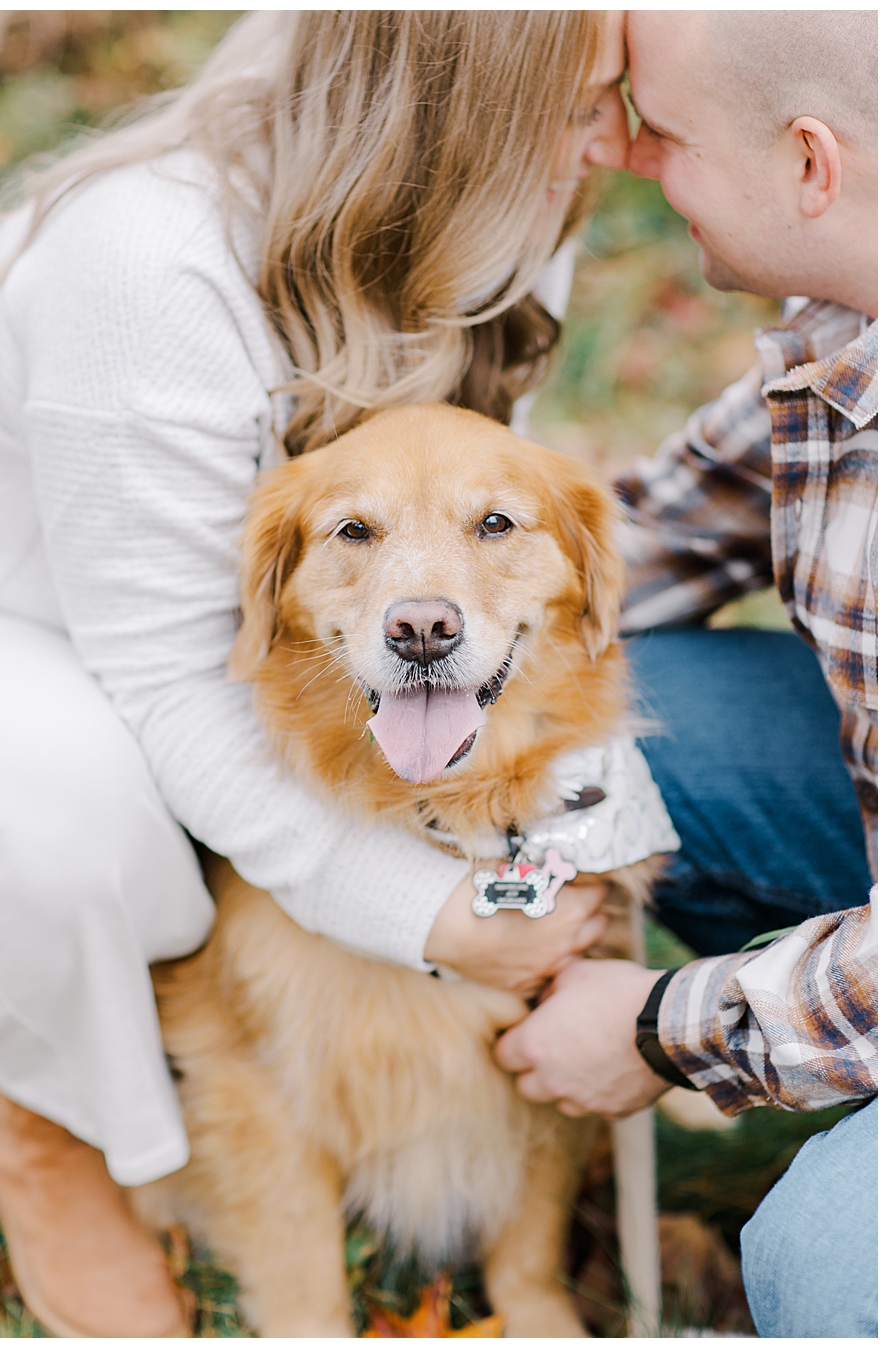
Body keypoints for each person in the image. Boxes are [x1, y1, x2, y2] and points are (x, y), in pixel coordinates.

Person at [0, 11, 660, 1336]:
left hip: (344, 616)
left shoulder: (531, 194)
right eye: (584, 102)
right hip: (63, 636)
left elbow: (470, 487)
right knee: (71, 828)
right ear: (449, 106)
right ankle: (49, 1129)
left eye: (621, 99)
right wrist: (424, 913)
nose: (616, 144)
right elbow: (178, 674)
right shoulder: (144, 260)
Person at [495, 10, 876, 1338]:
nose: (633, 159)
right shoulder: (845, 330)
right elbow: (638, 543)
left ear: (810, 164)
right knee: (625, 707)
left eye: (664, 132)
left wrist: (662, 1027)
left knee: (825, 1261)